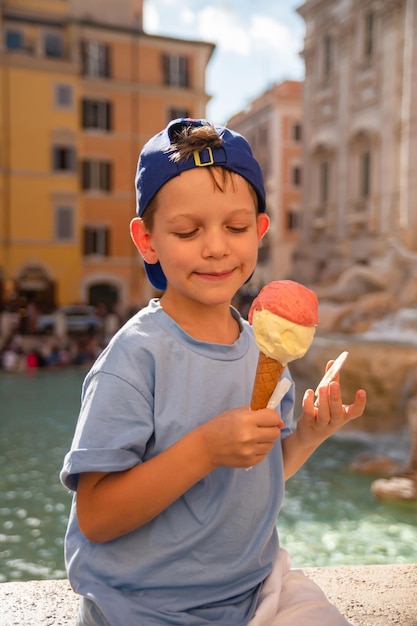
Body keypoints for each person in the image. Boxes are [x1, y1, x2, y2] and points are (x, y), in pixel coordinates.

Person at [60, 118, 366, 626]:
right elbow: (95, 517)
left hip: (255, 586)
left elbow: (251, 476)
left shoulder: (265, 353)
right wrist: (204, 448)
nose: (217, 247)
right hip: (145, 603)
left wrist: (308, 437)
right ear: (147, 240)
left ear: (260, 231)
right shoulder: (135, 358)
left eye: (237, 227)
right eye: (187, 231)